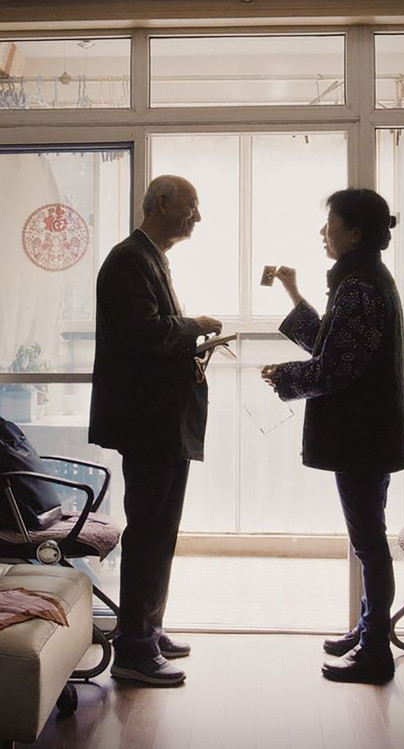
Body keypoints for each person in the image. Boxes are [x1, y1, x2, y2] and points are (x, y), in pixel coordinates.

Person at [261, 188, 404, 685]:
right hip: (371, 435)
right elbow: (331, 344)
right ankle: (368, 631)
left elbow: (336, 367)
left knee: (369, 543)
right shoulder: (362, 280)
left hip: (363, 436)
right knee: (368, 538)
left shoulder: (360, 286)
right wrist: (293, 292)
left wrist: (284, 375)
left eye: (330, 225)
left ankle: (375, 650)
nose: (323, 233)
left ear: (355, 234)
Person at [89, 175, 222, 686]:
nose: (197, 217)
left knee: (162, 529)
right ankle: (134, 648)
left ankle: (147, 626)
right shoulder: (129, 259)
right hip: (148, 423)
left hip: (163, 421)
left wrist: (190, 335)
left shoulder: (150, 257)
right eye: (192, 205)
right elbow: (144, 333)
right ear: (162, 202)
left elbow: (152, 333)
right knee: (148, 530)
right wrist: (195, 326)